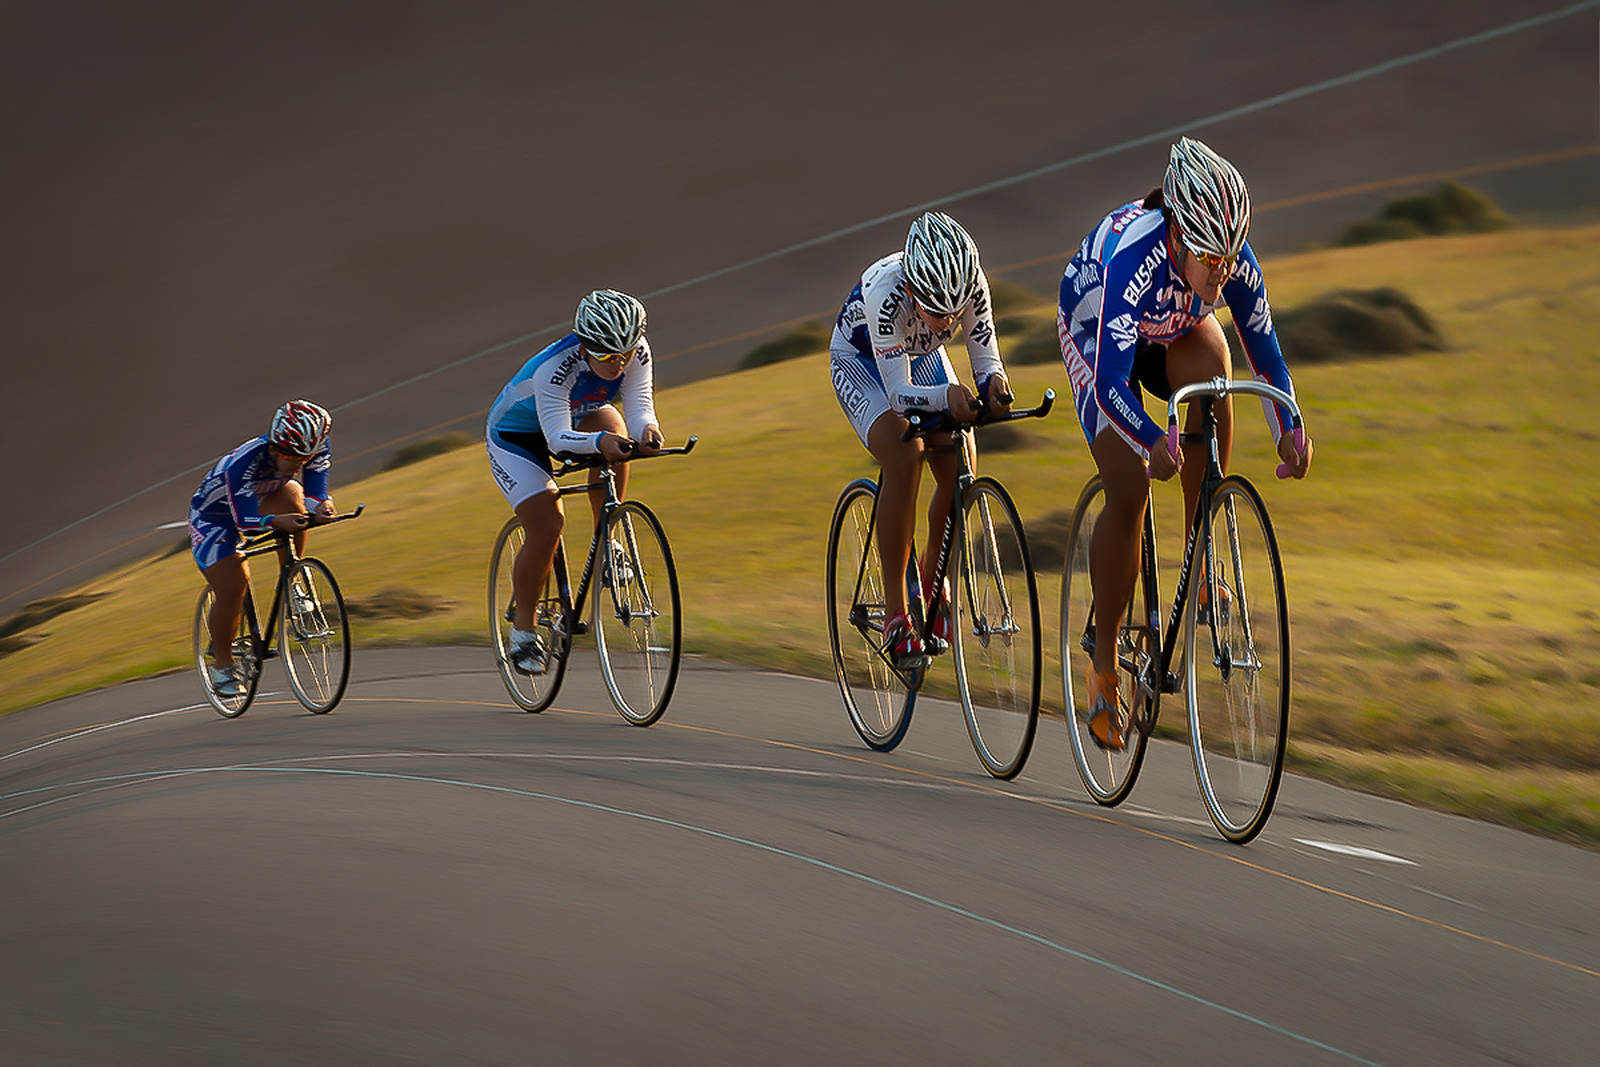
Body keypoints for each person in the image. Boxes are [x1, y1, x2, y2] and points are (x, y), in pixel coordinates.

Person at [1058, 136, 1314, 750]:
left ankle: (1201, 557)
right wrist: (1151, 437)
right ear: (1177, 236)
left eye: (1230, 259)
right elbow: (1111, 384)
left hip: (1170, 326)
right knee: (1130, 489)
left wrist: (1290, 428)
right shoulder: (1136, 258)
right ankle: (1103, 670)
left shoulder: (1227, 256)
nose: (1223, 272)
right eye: (1210, 260)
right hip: (1098, 336)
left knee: (1216, 366)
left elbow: (1267, 357)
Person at [830, 211, 1015, 668]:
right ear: (912, 290)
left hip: (920, 355)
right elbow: (898, 395)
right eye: (936, 311)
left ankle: (931, 583)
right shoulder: (886, 293)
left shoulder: (970, 285)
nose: (947, 321)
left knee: (961, 456)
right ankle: (897, 614)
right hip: (862, 363)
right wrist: (947, 398)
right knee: (905, 453)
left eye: (954, 312)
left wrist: (995, 387)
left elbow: (986, 361)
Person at [487, 289, 664, 675]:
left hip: (577, 416)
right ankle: (523, 631)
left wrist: (648, 432)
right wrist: (600, 443)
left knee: (615, 425)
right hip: (517, 436)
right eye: (608, 357)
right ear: (584, 348)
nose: (619, 364)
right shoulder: (554, 368)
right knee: (548, 524)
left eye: (625, 354)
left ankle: (608, 540)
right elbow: (556, 439)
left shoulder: (636, 351)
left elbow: (639, 406)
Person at [189, 399, 336, 697]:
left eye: (306, 457)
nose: (299, 464)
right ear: (275, 446)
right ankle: (222, 665)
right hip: (214, 519)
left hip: (257, 501)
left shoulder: (313, 446)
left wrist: (323, 506)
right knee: (234, 585)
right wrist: (277, 521)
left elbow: (314, 494)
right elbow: (244, 522)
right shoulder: (245, 462)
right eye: (292, 457)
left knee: (293, 497)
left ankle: (293, 584)